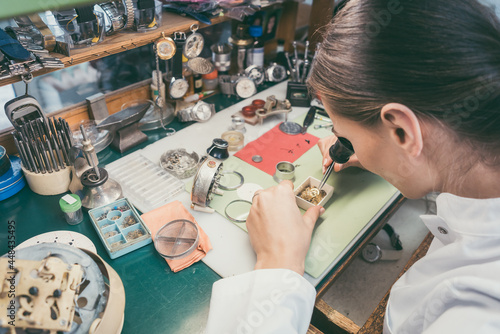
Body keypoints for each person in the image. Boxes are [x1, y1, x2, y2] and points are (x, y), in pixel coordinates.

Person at [205, 0, 500, 333]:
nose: (342, 145)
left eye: (344, 135)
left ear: (402, 131)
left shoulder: (478, 314)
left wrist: (279, 264)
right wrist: (389, 155)